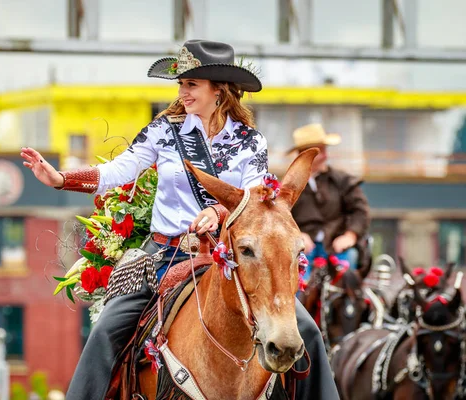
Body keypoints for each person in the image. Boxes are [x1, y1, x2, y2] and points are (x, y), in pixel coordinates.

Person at [21, 40, 338, 400]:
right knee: (105, 332)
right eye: (180, 84)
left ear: (218, 90)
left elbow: (252, 198)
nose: (182, 92)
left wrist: (217, 212)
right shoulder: (163, 130)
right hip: (165, 256)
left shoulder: (251, 142)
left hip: (230, 257)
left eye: (191, 84)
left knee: (307, 332)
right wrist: (61, 179)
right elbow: (119, 170)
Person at [288, 123, 370, 281]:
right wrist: (296, 235)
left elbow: (360, 211)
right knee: (296, 282)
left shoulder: (342, 180)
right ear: (304, 154)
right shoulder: (289, 185)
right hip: (301, 247)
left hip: (337, 244)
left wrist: (350, 236)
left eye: (324, 150)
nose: (325, 155)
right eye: (319, 151)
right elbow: (280, 216)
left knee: (346, 277)